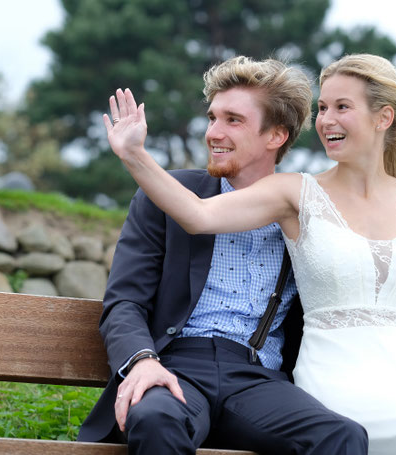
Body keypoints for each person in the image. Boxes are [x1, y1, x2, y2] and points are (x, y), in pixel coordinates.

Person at [103, 53, 396, 454]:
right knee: (159, 418)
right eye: (323, 108)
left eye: (342, 107)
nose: (214, 133)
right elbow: (192, 222)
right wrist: (135, 156)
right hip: (205, 365)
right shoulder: (285, 196)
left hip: (268, 379)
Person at [77, 56, 369, 454]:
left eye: (233, 120)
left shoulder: (307, 216)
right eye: (212, 118)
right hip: (175, 366)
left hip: (257, 380)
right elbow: (124, 303)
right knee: (156, 418)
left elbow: (345, 294)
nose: (213, 132)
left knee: (342, 436)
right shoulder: (165, 195)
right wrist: (143, 361)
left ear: (276, 136)